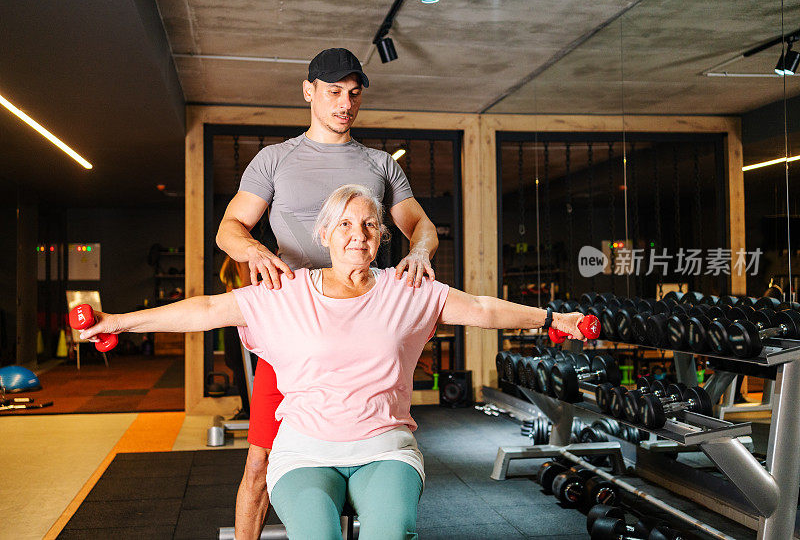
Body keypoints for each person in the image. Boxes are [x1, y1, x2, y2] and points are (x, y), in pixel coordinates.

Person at [80, 184, 588, 540]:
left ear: (380, 239)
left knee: (392, 532)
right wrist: (117, 322)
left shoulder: (407, 289)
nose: (357, 233)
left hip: (384, 447)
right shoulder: (285, 292)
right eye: (344, 223)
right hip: (304, 451)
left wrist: (551, 318)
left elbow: (480, 308)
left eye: (368, 224)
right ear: (324, 235)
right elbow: (207, 309)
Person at [215, 47, 440, 539]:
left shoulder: (381, 164)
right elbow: (229, 227)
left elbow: (420, 225)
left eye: (354, 94)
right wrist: (252, 251)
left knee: (373, 459)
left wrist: (420, 251)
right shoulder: (274, 160)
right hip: (295, 332)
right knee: (259, 461)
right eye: (334, 92)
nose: (345, 103)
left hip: (363, 333)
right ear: (308, 92)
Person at [219, 256, 252, 418]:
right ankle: (246, 407)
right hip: (230, 315)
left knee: (240, 364)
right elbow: (229, 288)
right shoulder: (229, 260)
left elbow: (247, 286)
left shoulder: (242, 259)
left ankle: (249, 409)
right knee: (233, 362)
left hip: (241, 315)